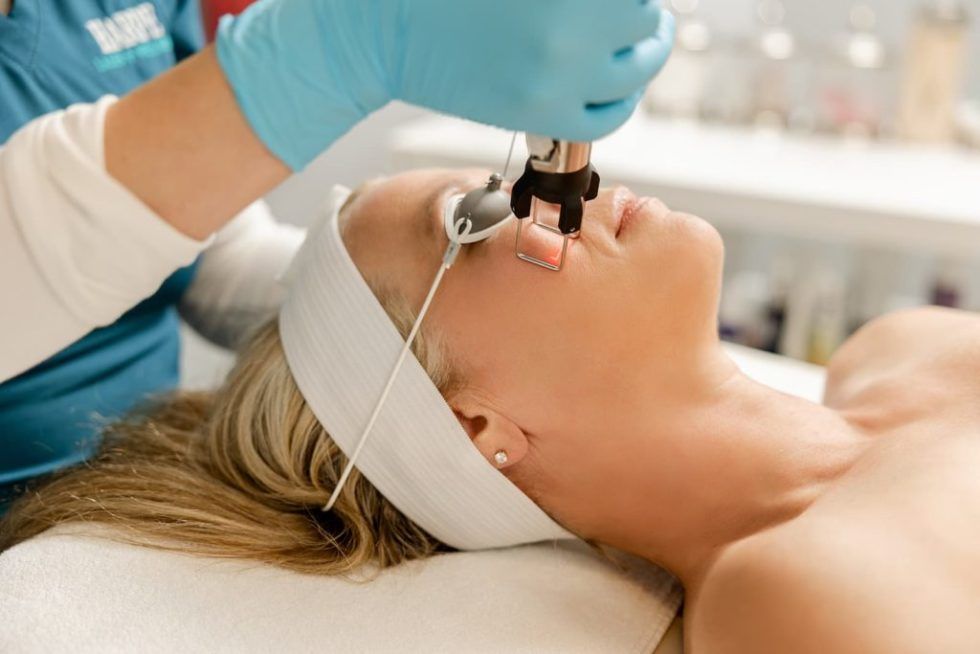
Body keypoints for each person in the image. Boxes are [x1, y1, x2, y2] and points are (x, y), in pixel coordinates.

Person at [4, 167, 979, 652]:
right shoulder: (804, 597)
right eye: (472, 222)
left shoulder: (901, 349)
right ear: (478, 430)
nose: (556, 182)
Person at [0, 0, 675, 509]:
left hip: (131, 474)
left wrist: (404, 336)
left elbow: (207, 259)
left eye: (472, 226)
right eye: (466, 223)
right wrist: (344, 47)